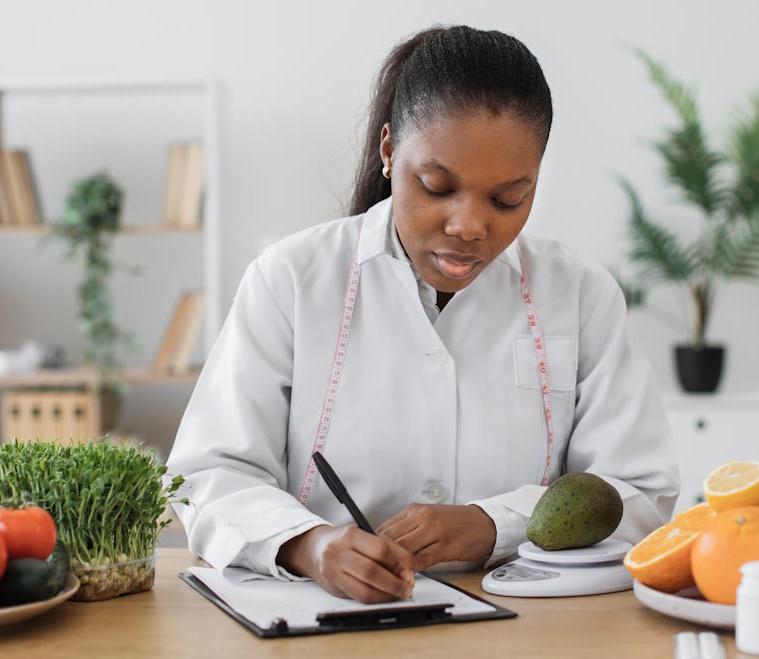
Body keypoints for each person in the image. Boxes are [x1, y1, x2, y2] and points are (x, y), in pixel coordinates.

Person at [166, 25, 679, 605]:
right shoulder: (290, 279)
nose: (469, 227)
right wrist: (308, 545)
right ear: (389, 151)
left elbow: (640, 492)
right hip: (328, 622)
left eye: (508, 199)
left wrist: (492, 524)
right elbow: (208, 475)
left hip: (529, 627)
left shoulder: (582, 295)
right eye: (437, 186)